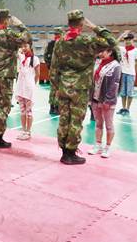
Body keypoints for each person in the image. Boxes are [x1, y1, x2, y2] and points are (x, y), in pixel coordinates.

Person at [50, 10, 117, 165]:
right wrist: (95, 27)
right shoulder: (87, 40)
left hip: (63, 87)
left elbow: (53, 68)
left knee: (64, 119)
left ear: (68, 23)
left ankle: (64, 151)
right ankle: (71, 153)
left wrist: (57, 86)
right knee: (76, 120)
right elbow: (111, 42)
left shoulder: (60, 42)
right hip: (79, 88)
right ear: (82, 23)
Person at [0, 9, 31, 148]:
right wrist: (20, 25)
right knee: (3, 107)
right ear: (6, 20)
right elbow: (27, 37)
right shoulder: (9, 34)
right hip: (5, 77)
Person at [88, 48, 122, 158]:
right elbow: (92, 81)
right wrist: (90, 97)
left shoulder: (115, 66)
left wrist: (108, 100)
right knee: (98, 123)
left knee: (108, 125)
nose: (101, 54)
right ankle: (98, 145)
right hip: (95, 98)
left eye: (104, 52)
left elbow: (114, 85)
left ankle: (107, 148)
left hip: (107, 101)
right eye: (100, 51)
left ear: (110, 52)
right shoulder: (98, 63)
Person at [15, 42, 40, 140]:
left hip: (29, 88)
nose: (24, 48)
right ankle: (23, 130)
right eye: (22, 46)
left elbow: (38, 74)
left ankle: (28, 132)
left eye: (26, 46)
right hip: (20, 87)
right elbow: (16, 52)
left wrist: (32, 85)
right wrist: (19, 49)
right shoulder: (21, 57)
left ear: (30, 47)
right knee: (22, 110)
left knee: (29, 111)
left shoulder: (35, 59)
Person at [117, 32, 137, 115]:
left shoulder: (136, 50)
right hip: (123, 73)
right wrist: (122, 35)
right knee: (123, 92)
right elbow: (114, 43)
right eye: (126, 40)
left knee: (130, 92)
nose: (127, 41)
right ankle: (123, 108)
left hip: (131, 73)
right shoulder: (122, 49)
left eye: (129, 39)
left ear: (132, 40)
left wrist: (134, 72)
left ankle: (128, 108)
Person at [45, 27, 62, 115]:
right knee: (57, 89)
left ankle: (53, 108)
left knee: (53, 89)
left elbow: (45, 55)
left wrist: (49, 66)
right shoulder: (62, 43)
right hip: (59, 70)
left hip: (53, 69)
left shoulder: (51, 43)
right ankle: (55, 107)